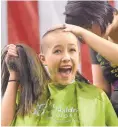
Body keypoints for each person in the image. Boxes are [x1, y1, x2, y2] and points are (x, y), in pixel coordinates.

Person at [1, 28, 118, 126]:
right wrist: (14, 75)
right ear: (43, 59)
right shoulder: (28, 96)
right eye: (57, 51)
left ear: (79, 56)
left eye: (72, 50)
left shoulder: (96, 96)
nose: (66, 57)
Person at [63, 1, 118, 116]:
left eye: (87, 28)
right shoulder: (96, 39)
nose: (87, 37)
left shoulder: (93, 38)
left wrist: (84, 33)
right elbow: (102, 88)